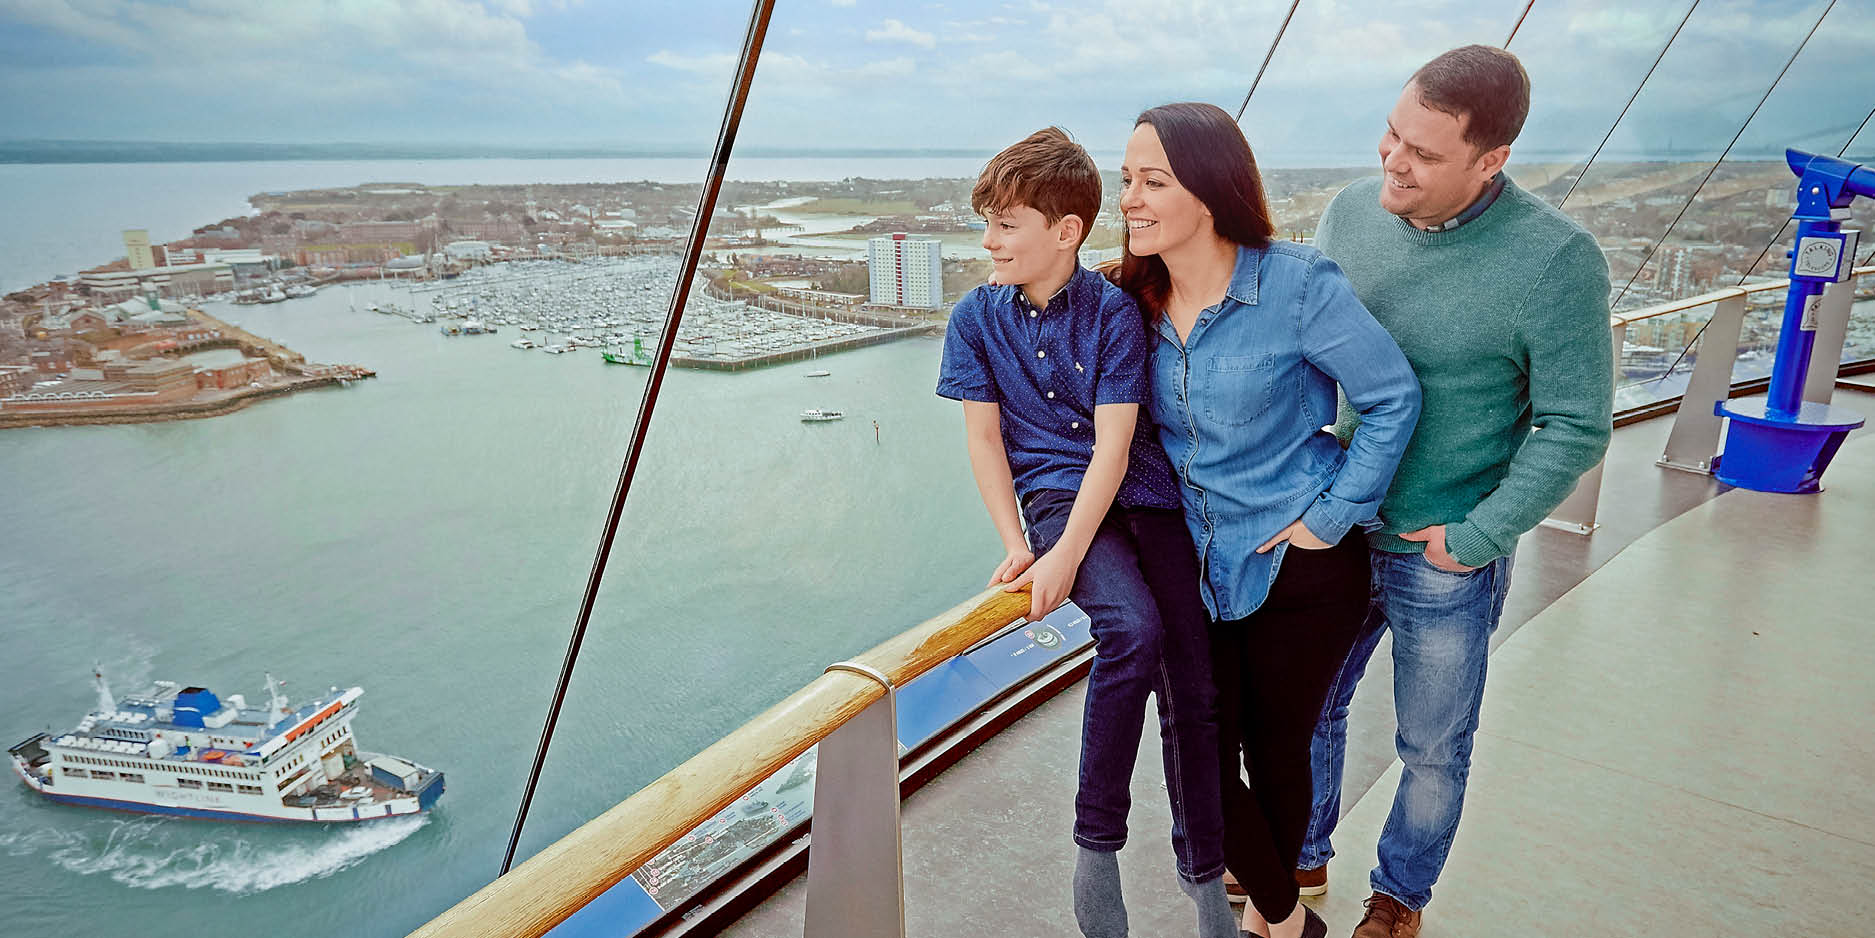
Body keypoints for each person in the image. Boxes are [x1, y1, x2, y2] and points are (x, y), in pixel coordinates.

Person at [1297, 46, 1615, 938]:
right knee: (1308, 708)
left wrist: (1478, 536)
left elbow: (1576, 424)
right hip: (1334, 526)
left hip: (1443, 550)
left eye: (1424, 153)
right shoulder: (1348, 214)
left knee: (1432, 747)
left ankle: (1398, 899)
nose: (1393, 162)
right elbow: (1307, 360)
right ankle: (1301, 853)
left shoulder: (1557, 260)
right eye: (1392, 135)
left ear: (1491, 160)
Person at [1116, 102, 1421, 938]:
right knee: (1199, 759)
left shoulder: (1297, 285)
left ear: (1209, 189)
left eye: (1152, 181)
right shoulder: (1126, 299)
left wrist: (1331, 516)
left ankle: (1266, 925)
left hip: (1300, 565)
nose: (1130, 199)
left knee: (1278, 750)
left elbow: (1391, 398)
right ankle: (1289, 924)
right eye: (1126, 180)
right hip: (1189, 567)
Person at [935, 126, 1233, 938]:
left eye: (1005, 225)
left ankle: (1206, 884)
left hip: (1140, 494)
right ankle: (1095, 849)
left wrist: (1064, 559)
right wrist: (1022, 544)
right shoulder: (975, 318)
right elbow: (984, 440)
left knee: (1194, 686)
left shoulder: (1111, 312)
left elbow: (1114, 445)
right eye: (987, 224)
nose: (989, 242)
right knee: (1129, 629)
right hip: (1057, 503)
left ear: (1065, 232)